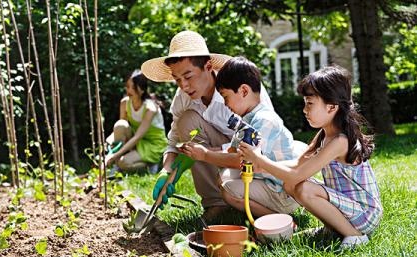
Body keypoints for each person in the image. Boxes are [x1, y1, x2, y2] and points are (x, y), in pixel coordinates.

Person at [239, 65, 383, 248]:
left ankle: (354, 235)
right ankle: (333, 228)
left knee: (304, 188)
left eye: (310, 103)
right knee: (291, 185)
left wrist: (260, 159)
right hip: (350, 208)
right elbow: (298, 165)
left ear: (331, 107)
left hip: (365, 213)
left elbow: (298, 175)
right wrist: (262, 165)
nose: (305, 110)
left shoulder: (340, 141)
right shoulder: (324, 135)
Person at [141, 31, 274, 219]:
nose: (183, 86)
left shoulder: (240, 88)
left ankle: (250, 200)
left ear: (208, 66)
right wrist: (166, 170)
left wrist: (209, 152)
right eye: (177, 79)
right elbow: (174, 142)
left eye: (188, 76)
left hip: (257, 160)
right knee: (186, 121)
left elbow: (263, 143)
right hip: (226, 152)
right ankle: (216, 203)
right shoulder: (182, 98)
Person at [181, 56, 302, 216]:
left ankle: (279, 219)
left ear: (244, 91)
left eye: (226, 97)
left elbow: (241, 161)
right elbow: (232, 151)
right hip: (267, 180)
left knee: (229, 190)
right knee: (224, 177)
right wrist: (202, 152)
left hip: (282, 190)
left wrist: (205, 155)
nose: (225, 103)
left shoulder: (264, 120)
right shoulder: (247, 119)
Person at [104, 70, 167, 173]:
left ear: (141, 90)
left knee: (123, 162)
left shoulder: (150, 108)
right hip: (136, 142)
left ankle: (149, 165)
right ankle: (118, 165)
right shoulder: (125, 103)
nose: (128, 90)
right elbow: (120, 129)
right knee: (120, 125)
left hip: (153, 145)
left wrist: (114, 156)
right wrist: (109, 141)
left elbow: (138, 136)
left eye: (132, 87)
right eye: (127, 86)